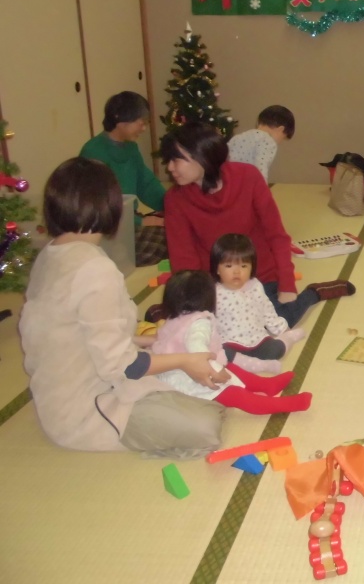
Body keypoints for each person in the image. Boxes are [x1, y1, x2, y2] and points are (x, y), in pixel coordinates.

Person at [19, 157, 226, 455]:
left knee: (193, 394)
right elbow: (125, 366)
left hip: (55, 398)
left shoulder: (51, 254)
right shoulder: (94, 269)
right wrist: (184, 360)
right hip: (87, 409)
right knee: (208, 421)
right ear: (109, 206)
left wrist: (148, 341)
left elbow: (77, 333)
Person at [160, 122, 355, 327]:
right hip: (214, 285)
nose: (170, 168)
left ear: (202, 156)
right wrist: (192, 303)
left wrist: (287, 283)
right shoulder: (175, 199)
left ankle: (314, 293)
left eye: (176, 159)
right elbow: (183, 259)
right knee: (214, 329)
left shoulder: (248, 176)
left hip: (259, 277)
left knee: (276, 322)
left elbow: (276, 235)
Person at [150, 270, 312, 415]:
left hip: (174, 373)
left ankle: (265, 385)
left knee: (231, 366)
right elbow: (198, 352)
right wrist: (217, 370)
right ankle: (284, 405)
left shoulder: (174, 317)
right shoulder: (199, 323)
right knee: (237, 395)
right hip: (192, 381)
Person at [79, 91, 167, 266]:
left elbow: (146, 184)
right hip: (106, 225)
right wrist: (141, 221)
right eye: (141, 122)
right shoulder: (93, 151)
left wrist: (171, 205)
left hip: (129, 219)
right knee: (154, 249)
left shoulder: (131, 148)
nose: (143, 128)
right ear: (120, 118)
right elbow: (98, 205)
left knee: (174, 234)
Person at [211, 233, 306, 370]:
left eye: (244, 266)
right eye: (229, 266)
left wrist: (280, 328)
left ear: (252, 268)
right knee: (223, 356)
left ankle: (289, 338)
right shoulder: (213, 292)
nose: (237, 271)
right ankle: (260, 365)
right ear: (217, 269)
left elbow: (266, 308)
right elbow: (208, 320)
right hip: (229, 342)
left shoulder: (255, 285)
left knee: (275, 350)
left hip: (257, 339)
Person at [227, 105, 295, 183]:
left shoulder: (238, 137)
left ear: (258, 122)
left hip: (231, 183)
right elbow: (261, 169)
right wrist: (263, 189)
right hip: (248, 185)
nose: (280, 142)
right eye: (283, 137)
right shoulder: (268, 141)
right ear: (280, 129)